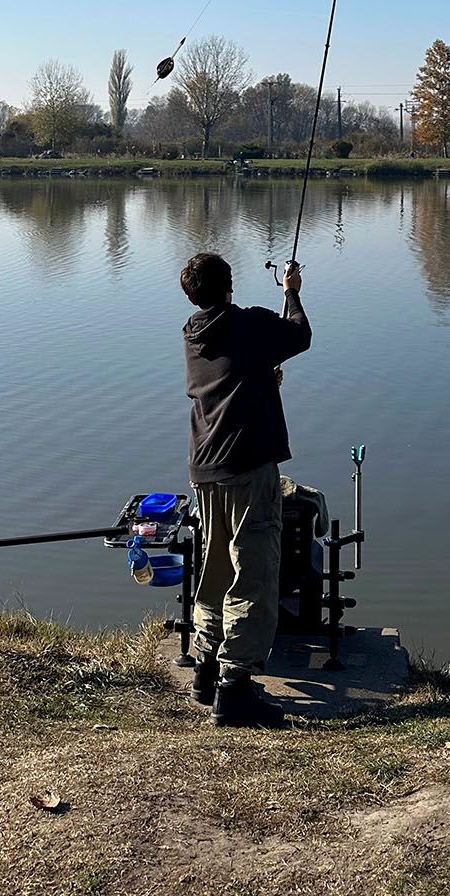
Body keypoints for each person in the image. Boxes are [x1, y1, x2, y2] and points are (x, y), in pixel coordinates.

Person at [179, 250, 312, 728]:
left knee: (213, 567)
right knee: (252, 571)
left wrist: (261, 378)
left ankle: (205, 667)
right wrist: (291, 293)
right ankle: (235, 689)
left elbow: (233, 375)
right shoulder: (250, 323)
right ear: (229, 285)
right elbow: (298, 335)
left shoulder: (193, 335)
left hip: (205, 467)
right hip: (247, 465)